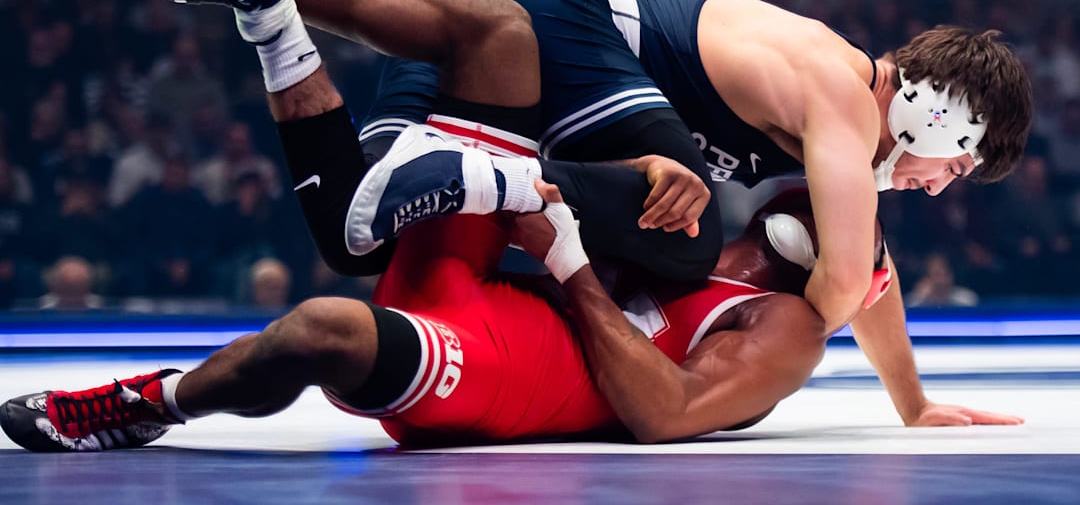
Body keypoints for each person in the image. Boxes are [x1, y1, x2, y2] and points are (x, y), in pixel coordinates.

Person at [143, 0, 1019, 433]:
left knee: (355, 231)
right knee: (686, 233)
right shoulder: (843, 96)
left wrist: (911, 401)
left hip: (503, 34)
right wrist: (792, 334)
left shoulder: (839, 131)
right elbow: (843, 277)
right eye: (958, 163)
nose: (941, 184)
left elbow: (866, 265)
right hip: (568, 27)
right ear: (939, 113)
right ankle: (493, 175)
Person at [0, 179, 952, 452]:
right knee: (487, 92)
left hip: (515, 374)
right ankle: (271, 13)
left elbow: (662, 415)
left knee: (318, 332)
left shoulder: (783, 327)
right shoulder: (692, 226)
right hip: (496, 302)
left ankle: (138, 405)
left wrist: (577, 268)